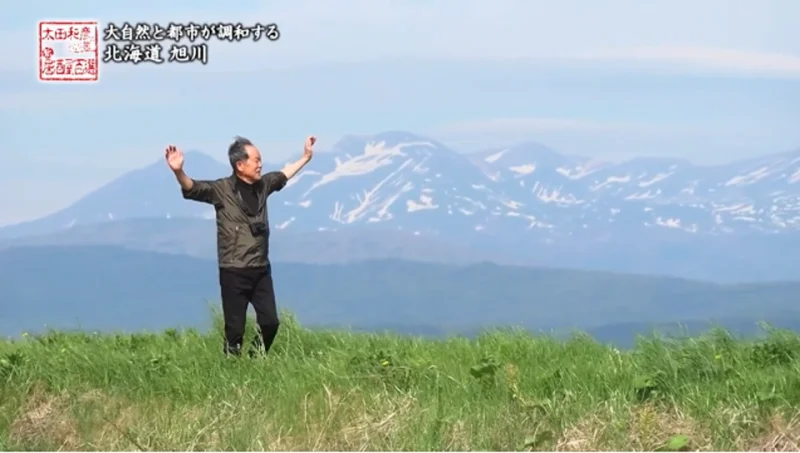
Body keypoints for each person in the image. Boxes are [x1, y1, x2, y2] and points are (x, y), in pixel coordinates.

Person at [164, 135, 315, 357]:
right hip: (233, 271)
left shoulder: (264, 185)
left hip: (261, 269)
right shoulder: (222, 189)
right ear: (240, 165)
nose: (260, 164)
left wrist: (306, 157)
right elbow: (193, 188)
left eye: (260, 159)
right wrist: (178, 171)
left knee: (271, 322)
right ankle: (232, 371)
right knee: (234, 330)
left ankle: (255, 359)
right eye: (256, 160)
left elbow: (284, 173)